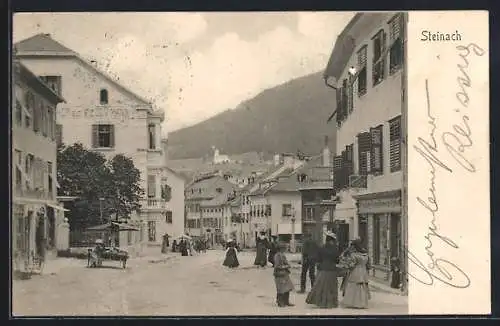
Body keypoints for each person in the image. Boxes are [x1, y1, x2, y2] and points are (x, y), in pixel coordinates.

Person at [305, 231, 340, 308]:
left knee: (321, 286)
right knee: (331, 287)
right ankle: (331, 303)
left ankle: (320, 301)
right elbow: (337, 260)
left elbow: (318, 259)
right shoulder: (335, 249)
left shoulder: (321, 248)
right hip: (332, 269)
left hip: (322, 269)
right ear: (332, 240)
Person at [342, 238, 371, 309]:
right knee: (362, 287)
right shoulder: (366, 254)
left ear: (355, 246)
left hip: (356, 271)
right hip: (363, 271)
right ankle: (362, 303)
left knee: (354, 286)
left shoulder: (354, 255)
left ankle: (354, 302)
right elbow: (368, 265)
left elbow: (352, 264)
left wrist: (346, 266)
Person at [273, 242, 295, 307]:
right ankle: (280, 302)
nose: (285, 249)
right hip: (279, 274)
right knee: (281, 289)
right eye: (284, 248)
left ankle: (286, 301)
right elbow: (277, 266)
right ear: (281, 248)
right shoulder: (277, 255)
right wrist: (286, 266)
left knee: (287, 287)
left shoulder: (282, 254)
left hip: (285, 273)